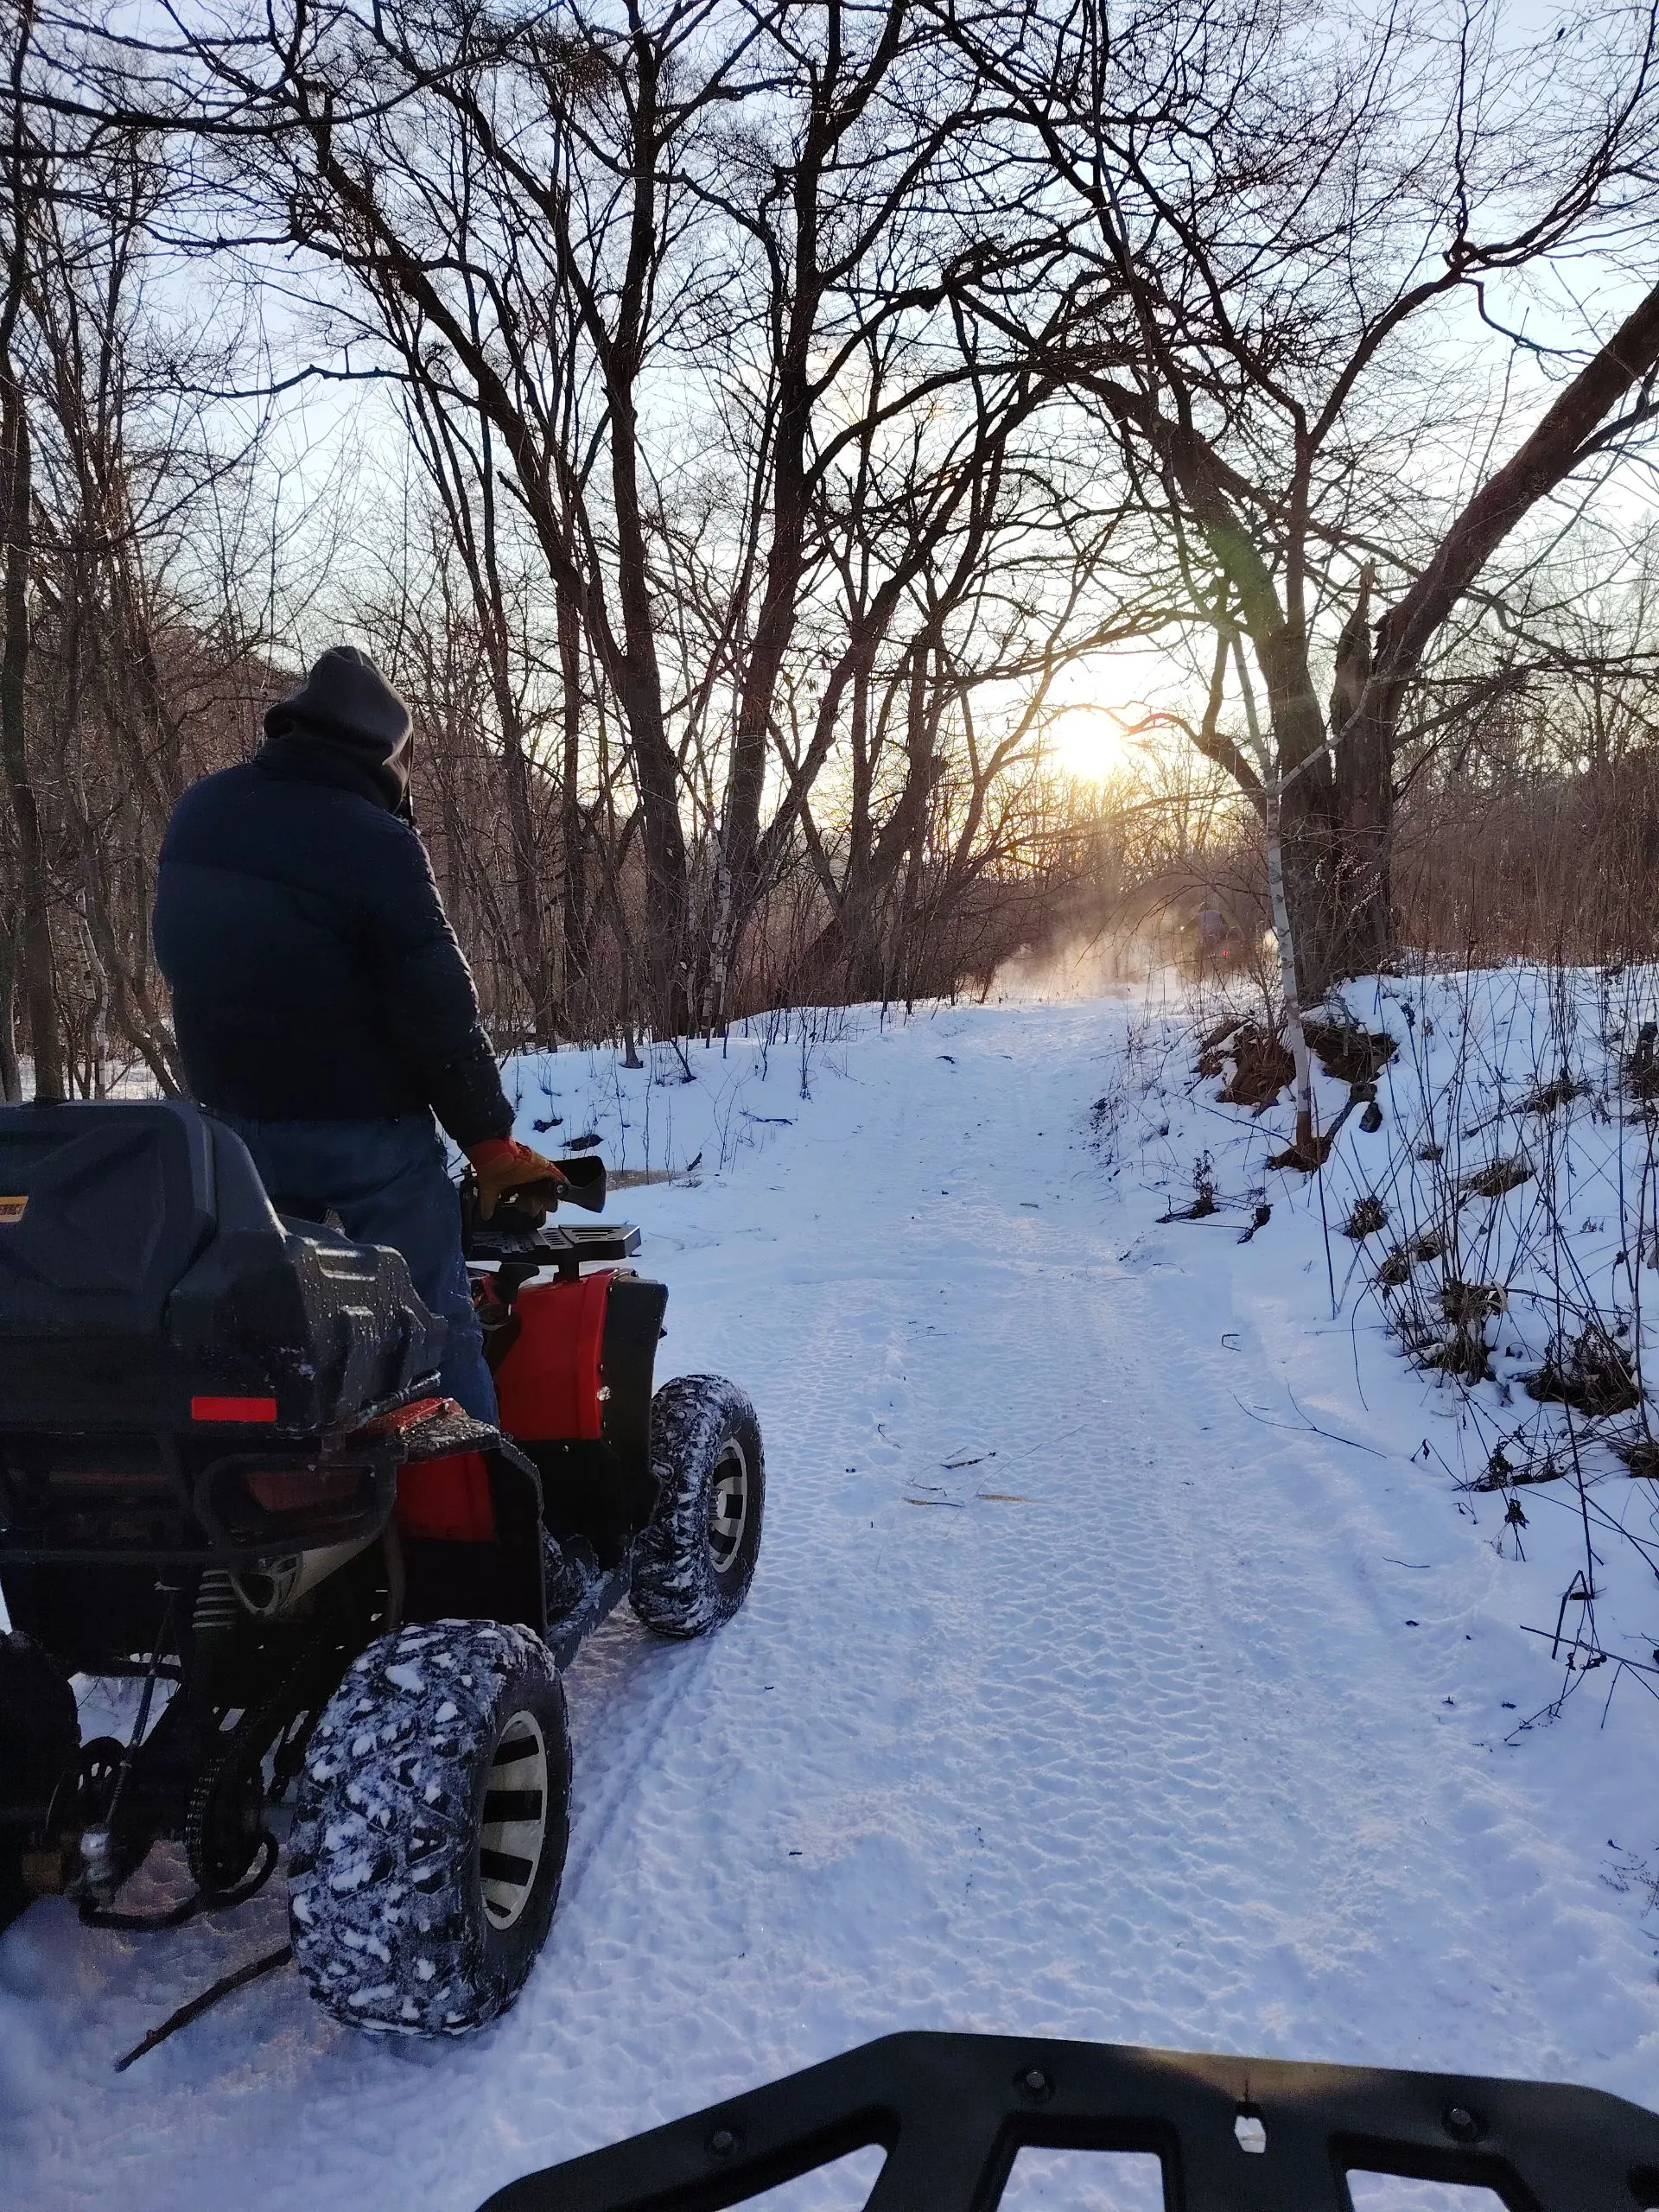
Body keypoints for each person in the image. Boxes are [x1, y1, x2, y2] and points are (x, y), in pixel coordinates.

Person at [152, 645, 563, 1422]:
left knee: (280, 1332)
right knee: (433, 1320)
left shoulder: (200, 808)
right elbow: (439, 1011)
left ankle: (295, 1504)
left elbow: (183, 955)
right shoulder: (376, 842)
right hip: (361, 1139)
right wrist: (490, 1143)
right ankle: (479, 1513)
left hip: (228, 1134)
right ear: (386, 756)